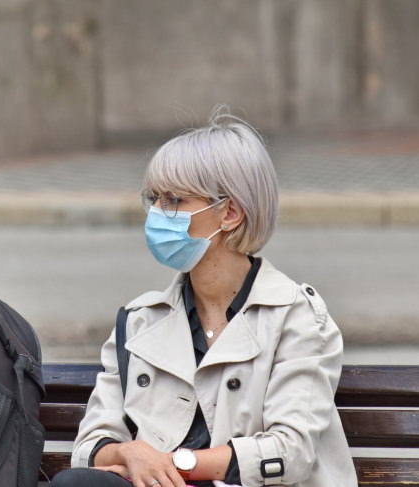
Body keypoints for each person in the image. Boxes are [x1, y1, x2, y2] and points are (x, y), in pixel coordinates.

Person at [50, 109, 357, 487]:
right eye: (155, 199)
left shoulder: (297, 316)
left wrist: (171, 465)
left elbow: (288, 453)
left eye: (175, 200)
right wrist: (131, 453)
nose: (158, 214)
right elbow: (89, 447)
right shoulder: (139, 320)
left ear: (229, 212)